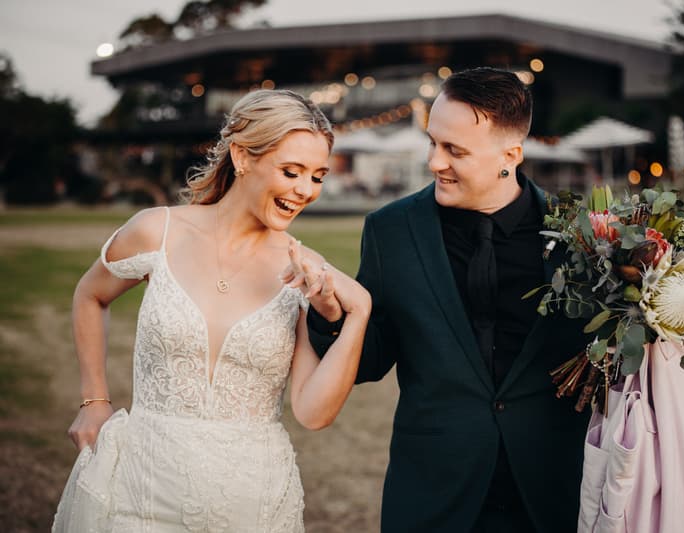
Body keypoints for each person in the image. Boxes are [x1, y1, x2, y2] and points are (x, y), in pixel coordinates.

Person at [52, 89, 371, 532]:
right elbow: (90, 295)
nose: (304, 191)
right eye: (292, 171)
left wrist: (359, 314)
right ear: (242, 156)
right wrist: (94, 401)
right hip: (139, 490)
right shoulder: (156, 232)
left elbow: (313, 413)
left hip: (249, 503)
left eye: (317, 177)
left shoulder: (305, 273)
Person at [298, 68, 591, 532]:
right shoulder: (391, 230)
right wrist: (333, 312)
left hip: (552, 495)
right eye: (432, 142)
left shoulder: (585, 238)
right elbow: (372, 359)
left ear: (509, 156)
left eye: (455, 150)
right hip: (432, 497)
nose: (434, 162)